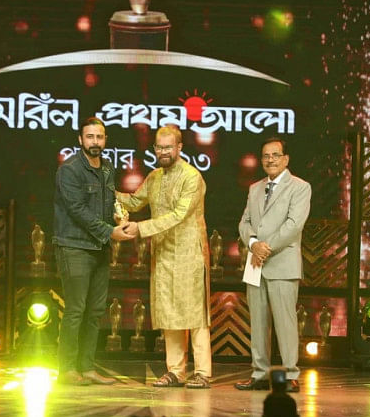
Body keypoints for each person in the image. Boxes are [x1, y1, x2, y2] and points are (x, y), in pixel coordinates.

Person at [117, 125, 212, 389]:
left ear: (179, 147)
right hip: (163, 254)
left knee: (195, 313)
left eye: (168, 147)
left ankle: (202, 371)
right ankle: (176, 371)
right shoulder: (154, 177)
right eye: (159, 147)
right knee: (170, 312)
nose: (163, 152)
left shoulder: (192, 177)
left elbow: (179, 215)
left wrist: (141, 228)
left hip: (189, 254)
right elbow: (134, 202)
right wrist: (106, 193)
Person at [53, 116, 135, 386]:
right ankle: (66, 369)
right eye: (90, 137)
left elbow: (107, 203)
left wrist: (118, 217)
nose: (95, 142)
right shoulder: (70, 170)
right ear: (80, 139)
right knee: (76, 309)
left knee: (96, 311)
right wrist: (109, 232)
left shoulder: (108, 168)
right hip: (74, 245)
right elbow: (77, 210)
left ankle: (87, 367)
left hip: (99, 247)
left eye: (99, 137)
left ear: (105, 139)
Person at [235, 136, 311, 393]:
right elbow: (244, 222)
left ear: (286, 159)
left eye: (275, 155)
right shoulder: (255, 188)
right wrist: (253, 243)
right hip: (255, 264)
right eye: (266, 156)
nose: (270, 160)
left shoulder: (300, 187)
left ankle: (290, 375)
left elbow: (294, 225)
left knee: (285, 323)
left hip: (282, 263)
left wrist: (266, 247)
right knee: (258, 323)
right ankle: (259, 374)